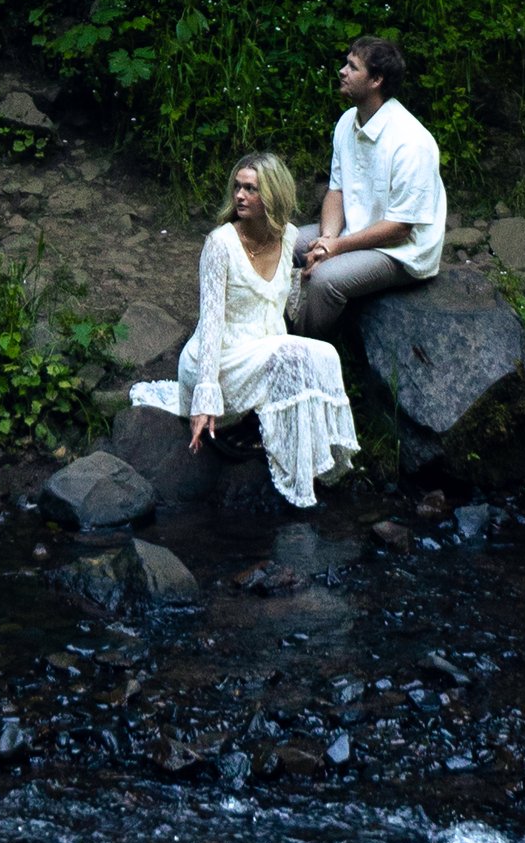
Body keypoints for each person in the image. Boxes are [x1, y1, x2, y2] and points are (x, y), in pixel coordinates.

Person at [129, 153, 360, 510]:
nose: (240, 195)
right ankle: (256, 444)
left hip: (261, 347)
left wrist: (304, 277)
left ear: (273, 195)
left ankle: (312, 458)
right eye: (237, 187)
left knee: (323, 354)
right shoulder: (219, 245)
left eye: (251, 188)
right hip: (217, 359)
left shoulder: (290, 237)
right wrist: (204, 398)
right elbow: (210, 323)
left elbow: (281, 306)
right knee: (293, 353)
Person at [288, 36, 445, 341]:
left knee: (324, 279)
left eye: (352, 67)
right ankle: (264, 326)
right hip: (351, 232)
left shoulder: (412, 141)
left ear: (376, 80)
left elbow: (399, 228)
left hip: (402, 252)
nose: (341, 71)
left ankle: (298, 352)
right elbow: (337, 191)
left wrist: (335, 249)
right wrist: (327, 239)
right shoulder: (348, 121)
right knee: (281, 242)